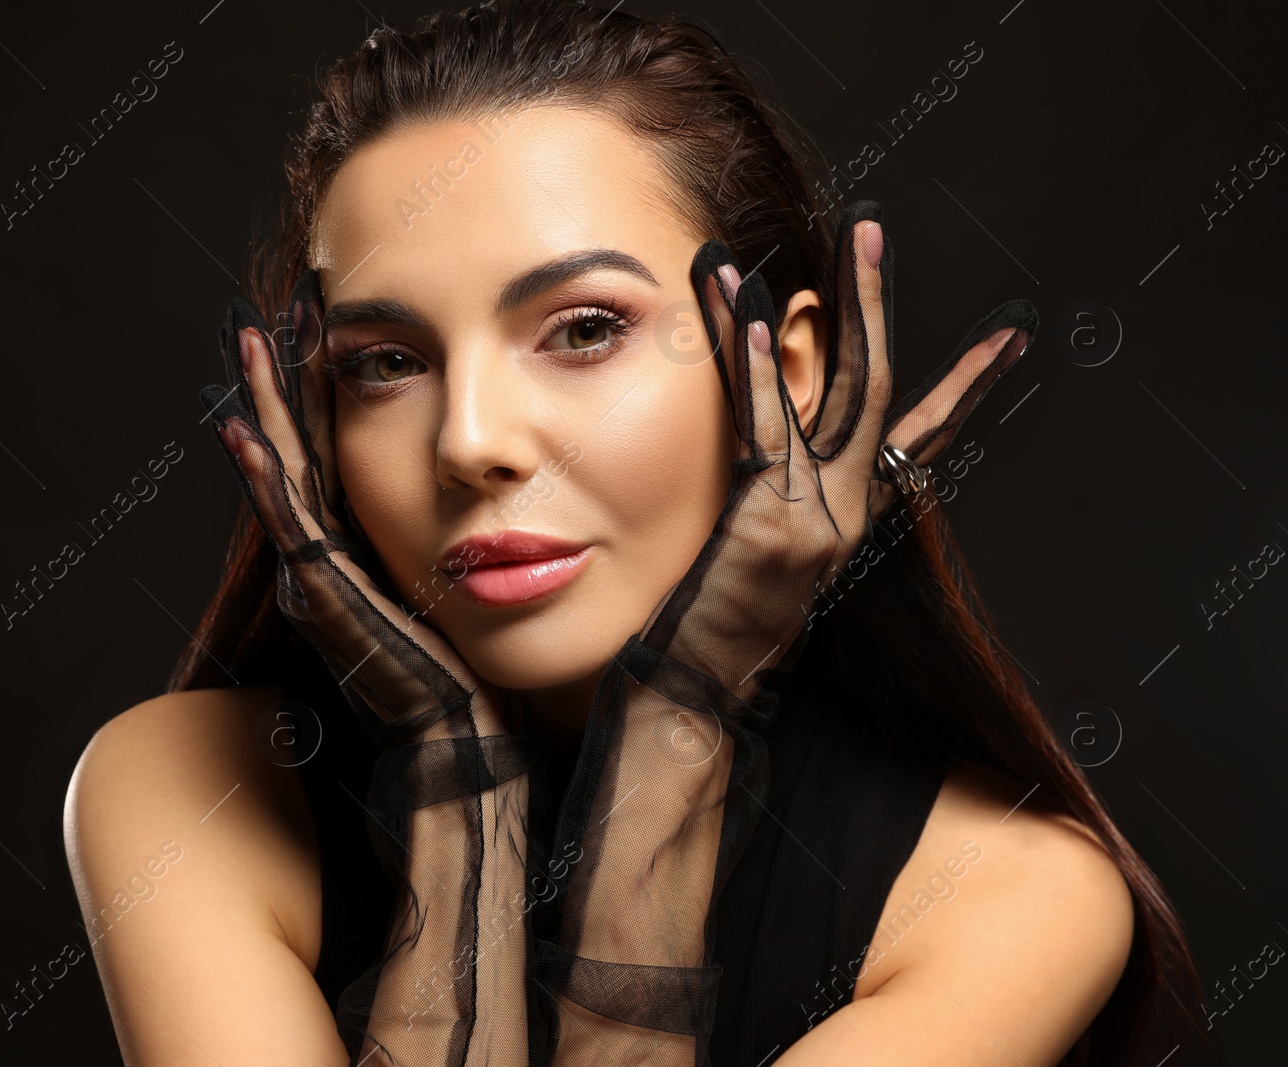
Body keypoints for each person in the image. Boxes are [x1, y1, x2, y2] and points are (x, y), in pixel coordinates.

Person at [63, 1, 1210, 1063]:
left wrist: (676, 737)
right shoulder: (189, 788)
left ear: (789, 373)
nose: (468, 441)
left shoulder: (1007, 891)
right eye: (388, 362)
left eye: (584, 328)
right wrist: (458, 800)